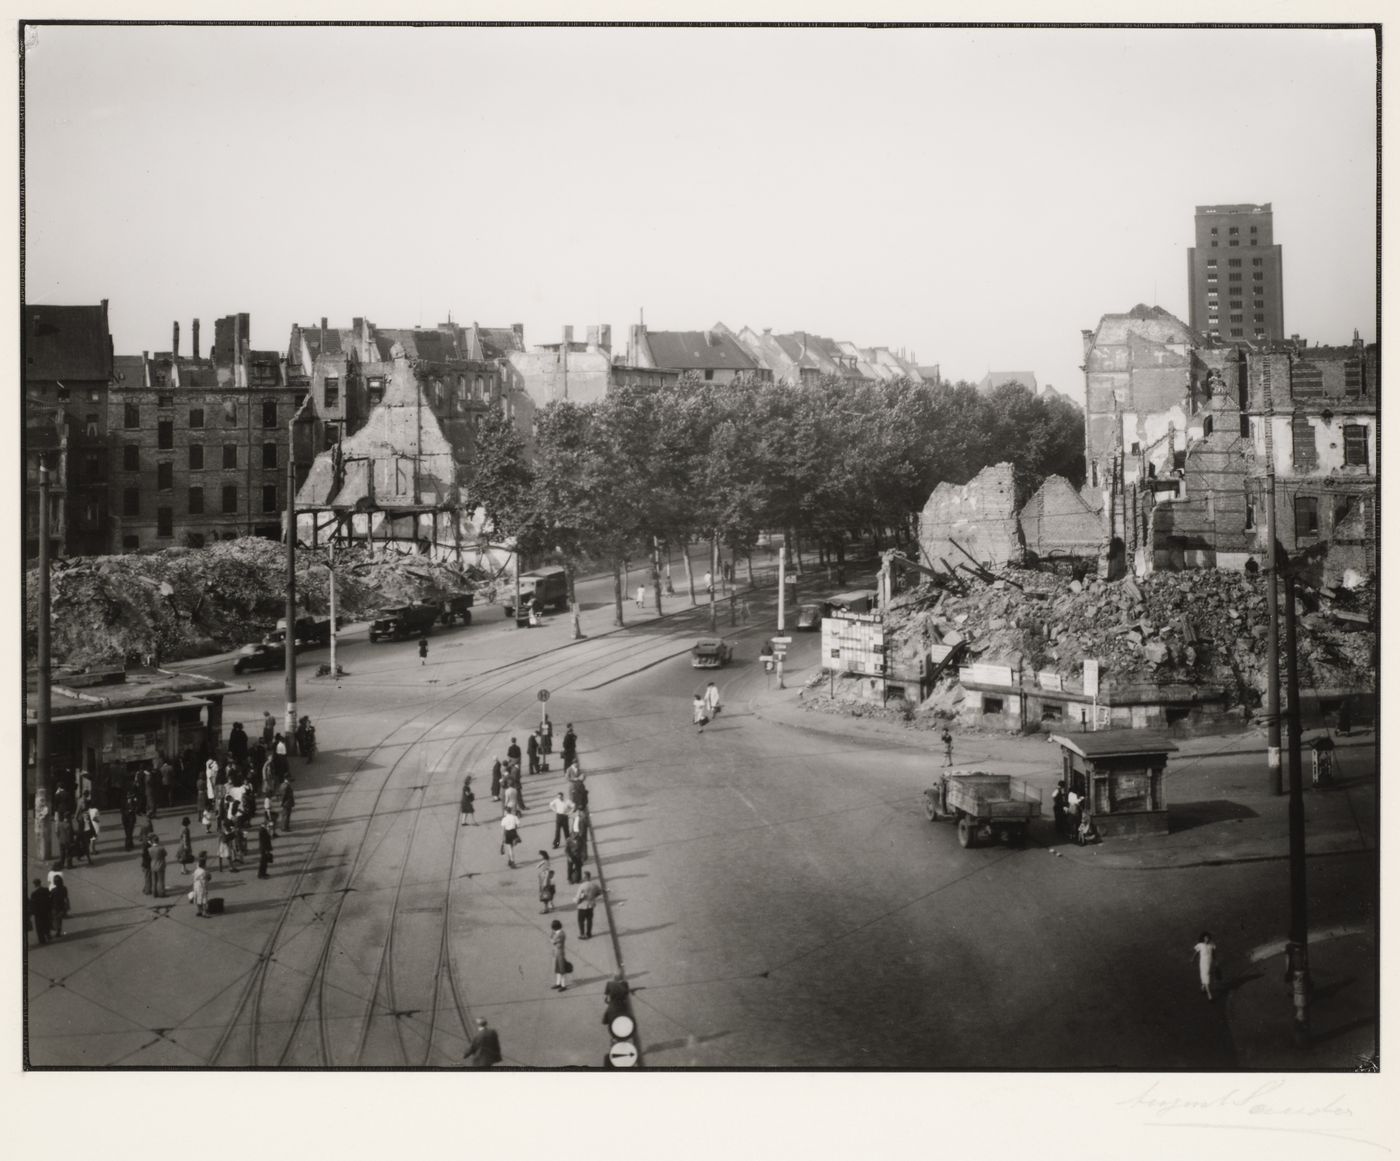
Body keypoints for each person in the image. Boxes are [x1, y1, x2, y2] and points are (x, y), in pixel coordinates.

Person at [575, 871, 602, 940]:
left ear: (585, 877)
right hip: (590, 906)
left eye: (583, 877)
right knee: (589, 920)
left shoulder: (582, 886)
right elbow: (600, 892)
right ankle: (589, 933)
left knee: (581, 921)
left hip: (582, 906)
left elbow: (578, 897)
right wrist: (594, 896)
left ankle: (582, 934)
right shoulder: (594, 885)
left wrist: (576, 901)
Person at [1193, 932, 1219, 1001]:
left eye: (1208, 938)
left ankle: (1203, 986)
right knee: (1206, 975)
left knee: (1206, 974)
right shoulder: (1200, 945)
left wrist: (1216, 961)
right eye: (1205, 938)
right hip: (1203, 963)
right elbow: (1196, 952)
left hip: (1209, 963)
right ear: (1203, 938)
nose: (1207, 939)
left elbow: (1213, 954)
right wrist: (1192, 959)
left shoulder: (1212, 944)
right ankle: (1209, 994)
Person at [549, 919, 570, 991]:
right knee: (557, 969)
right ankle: (558, 983)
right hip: (558, 952)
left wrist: (552, 938)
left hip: (560, 953)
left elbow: (553, 941)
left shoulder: (561, 934)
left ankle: (563, 985)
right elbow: (552, 940)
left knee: (561, 970)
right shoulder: (559, 933)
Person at [29, 879, 52, 945]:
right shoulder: (46, 890)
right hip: (46, 910)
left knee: (39, 927)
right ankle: (48, 935)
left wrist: (32, 912)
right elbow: (49, 899)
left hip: (38, 913)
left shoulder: (34, 893)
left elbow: (33, 904)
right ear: (40, 883)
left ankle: (42, 940)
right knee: (46, 923)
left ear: (34, 884)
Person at [49, 872, 70, 938]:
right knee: (59, 920)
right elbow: (66, 897)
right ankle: (58, 932)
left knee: (54, 919)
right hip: (62, 906)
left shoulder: (53, 890)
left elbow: (50, 898)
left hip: (55, 906)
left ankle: (55, 932)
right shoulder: (64, 888)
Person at [191, 853, 211, 918]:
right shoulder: (204, 871)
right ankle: (204, 912)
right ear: (204, 865)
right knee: (204, 899)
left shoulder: (196, 870)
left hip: (196, 886)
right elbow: (209, 878)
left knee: (198, 898)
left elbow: (193, 877)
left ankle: (199, 911)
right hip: (202, 886)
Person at [151, 834, 168, 899]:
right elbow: (165, 854)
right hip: (160, 865)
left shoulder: (150, 849)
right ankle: (161, 893)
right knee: (161, 880)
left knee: (154, 880)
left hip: (153, 865)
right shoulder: (161, 848)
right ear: (158, 841)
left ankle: (154, 893)